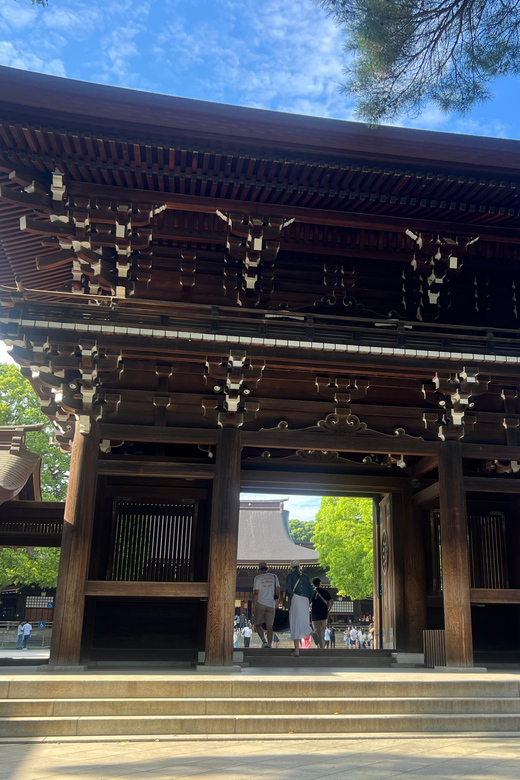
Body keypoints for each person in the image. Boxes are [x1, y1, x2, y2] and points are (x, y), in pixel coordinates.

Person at [286, 560, 313, 657]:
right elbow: (311, 591)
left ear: (292, 568)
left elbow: (289, 589)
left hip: (296, 598)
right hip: (305, 600)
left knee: (295, 622)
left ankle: (297, 651)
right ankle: (311, 632)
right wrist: (308, 600)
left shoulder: (290, 576)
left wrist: (291, 596)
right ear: (299, 567)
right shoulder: (305, 577)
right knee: (304, 620)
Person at [252, 561, 280, 649]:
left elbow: (256, 593)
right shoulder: (274, 577)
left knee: (257, 624)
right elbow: (278, 591)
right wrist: (276, 602)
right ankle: (269, 644)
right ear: (267, 569)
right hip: (271, 604)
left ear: (259, 570)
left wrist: (254, 605)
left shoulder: (258, 578)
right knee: (269, 626)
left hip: (260, 603)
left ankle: (264, 641)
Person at [310, 577, 333, 649]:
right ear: (320, 583)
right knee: (322, 632)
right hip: (324, 615)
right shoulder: (325, 592)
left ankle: (320, 647)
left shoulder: (312, 592)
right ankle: (321, 647)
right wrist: (328, 610)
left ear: (313, 584)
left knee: (317, 632)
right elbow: (331, 602)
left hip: (315, 616)